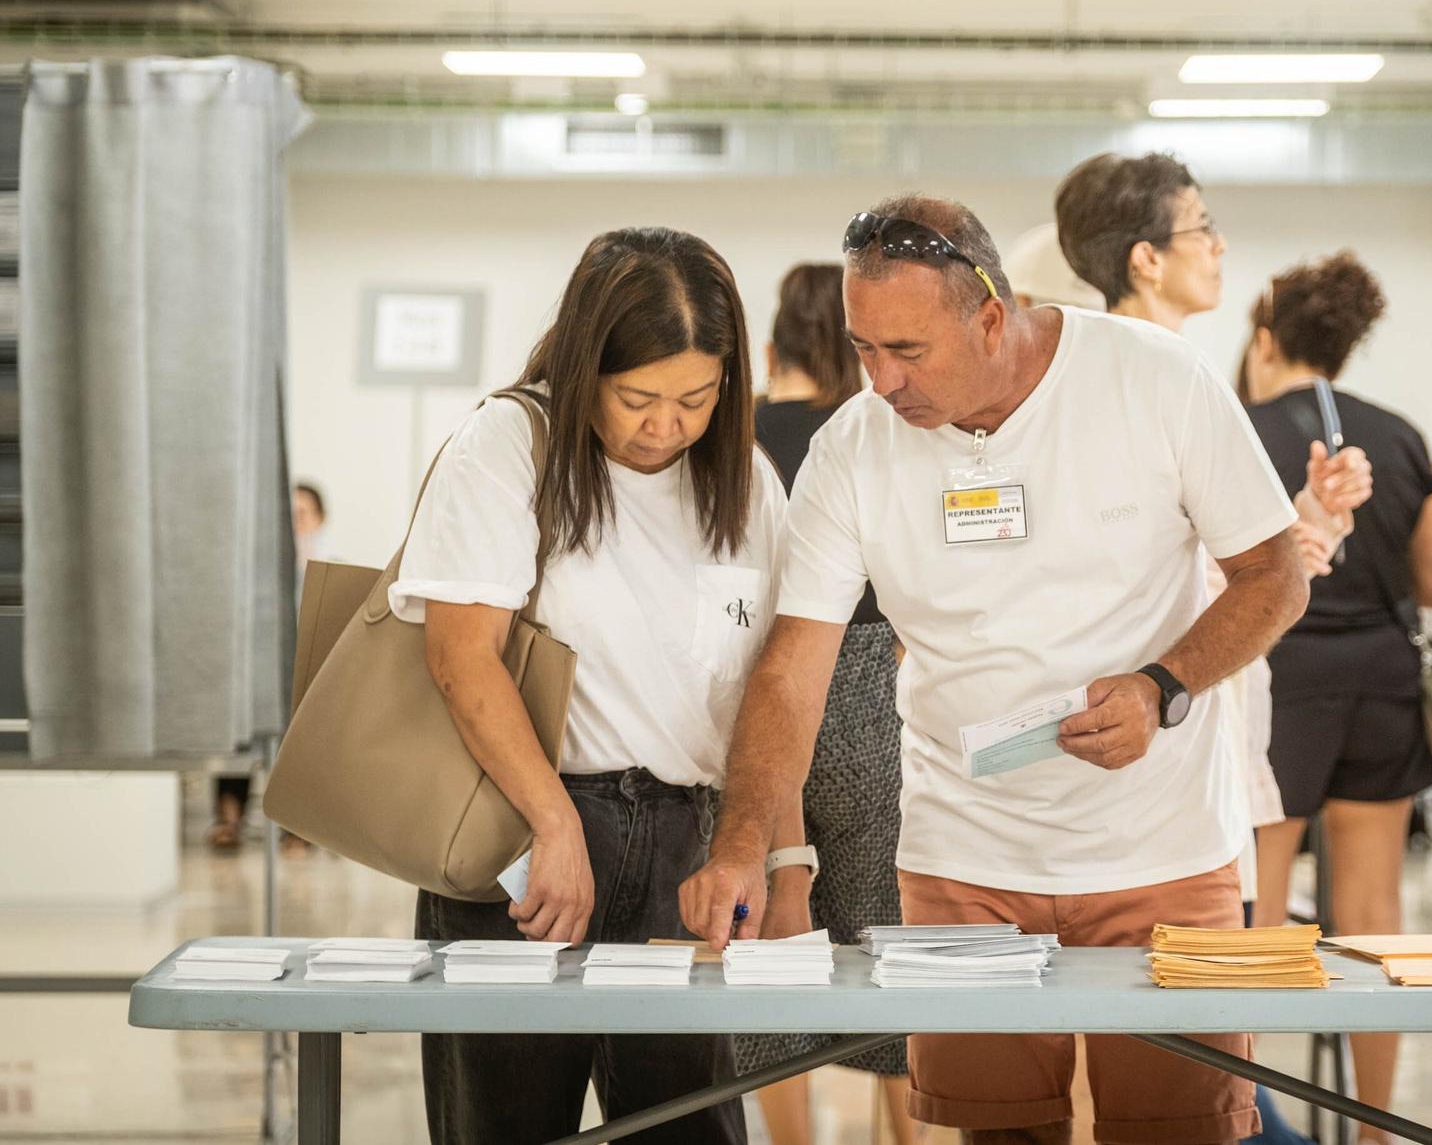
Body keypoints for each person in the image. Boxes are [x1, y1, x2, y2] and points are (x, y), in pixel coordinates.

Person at [683, 194, 1335, 1145]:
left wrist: (1164, 683)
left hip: (1161, 851)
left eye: (908, 351)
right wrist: (746, 840)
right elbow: (792, 669)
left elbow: (1274, 575)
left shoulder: (1153, 379)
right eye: (865, 349)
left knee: (1177, 1130)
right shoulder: (855, 447)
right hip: (963, 864)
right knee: (999, 1134)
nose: (882, 379)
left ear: (991, 315)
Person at [393, 228, 785, 1145]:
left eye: (697, 396)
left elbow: (767, 687)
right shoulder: (509, 444)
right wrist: (556, 823)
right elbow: (460, 655)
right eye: (637, 397)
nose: (666, 425)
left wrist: (775, 853)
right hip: (527, 833)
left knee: (690, 1123)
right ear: (584, 370)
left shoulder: (746, 483)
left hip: (686, 847)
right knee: (509, 1121)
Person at [1055, 151, 1366, 1145]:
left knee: (1194, 1017)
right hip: (1163, 733)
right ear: (1145, 258)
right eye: (1201, 230)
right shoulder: (1150, 374)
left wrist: (1304, 520)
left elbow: (1211, 555)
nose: (1219, 247)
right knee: (1186, 1029)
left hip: (1189, 721)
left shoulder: (1148, 371)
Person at [1241, 253, 1432, 1144]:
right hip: (1384, 679)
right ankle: (1378, 1128)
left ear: (1263, 339)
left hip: (1284, 681)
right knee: (1377, 919)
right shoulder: (1401, 436)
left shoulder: (1238, 429)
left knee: (1255, 911)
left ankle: (1243, 1109)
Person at [736, 263, 920, 1145]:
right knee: (889, 939)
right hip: (871, 684)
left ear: (772, 344)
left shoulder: (736, 437)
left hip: (753, 688)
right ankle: (909, 1134)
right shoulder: (871, 432)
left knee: (777, 940)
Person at [209, 480, 333, 851]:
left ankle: (300, 827)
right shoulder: (253, 574)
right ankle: (228, 820)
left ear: (319, 519)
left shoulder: (330, 568)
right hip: (261, 674)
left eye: (300, 515)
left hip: (311, 677)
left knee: (305, 739)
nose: (292, 524)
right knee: (242, 736)